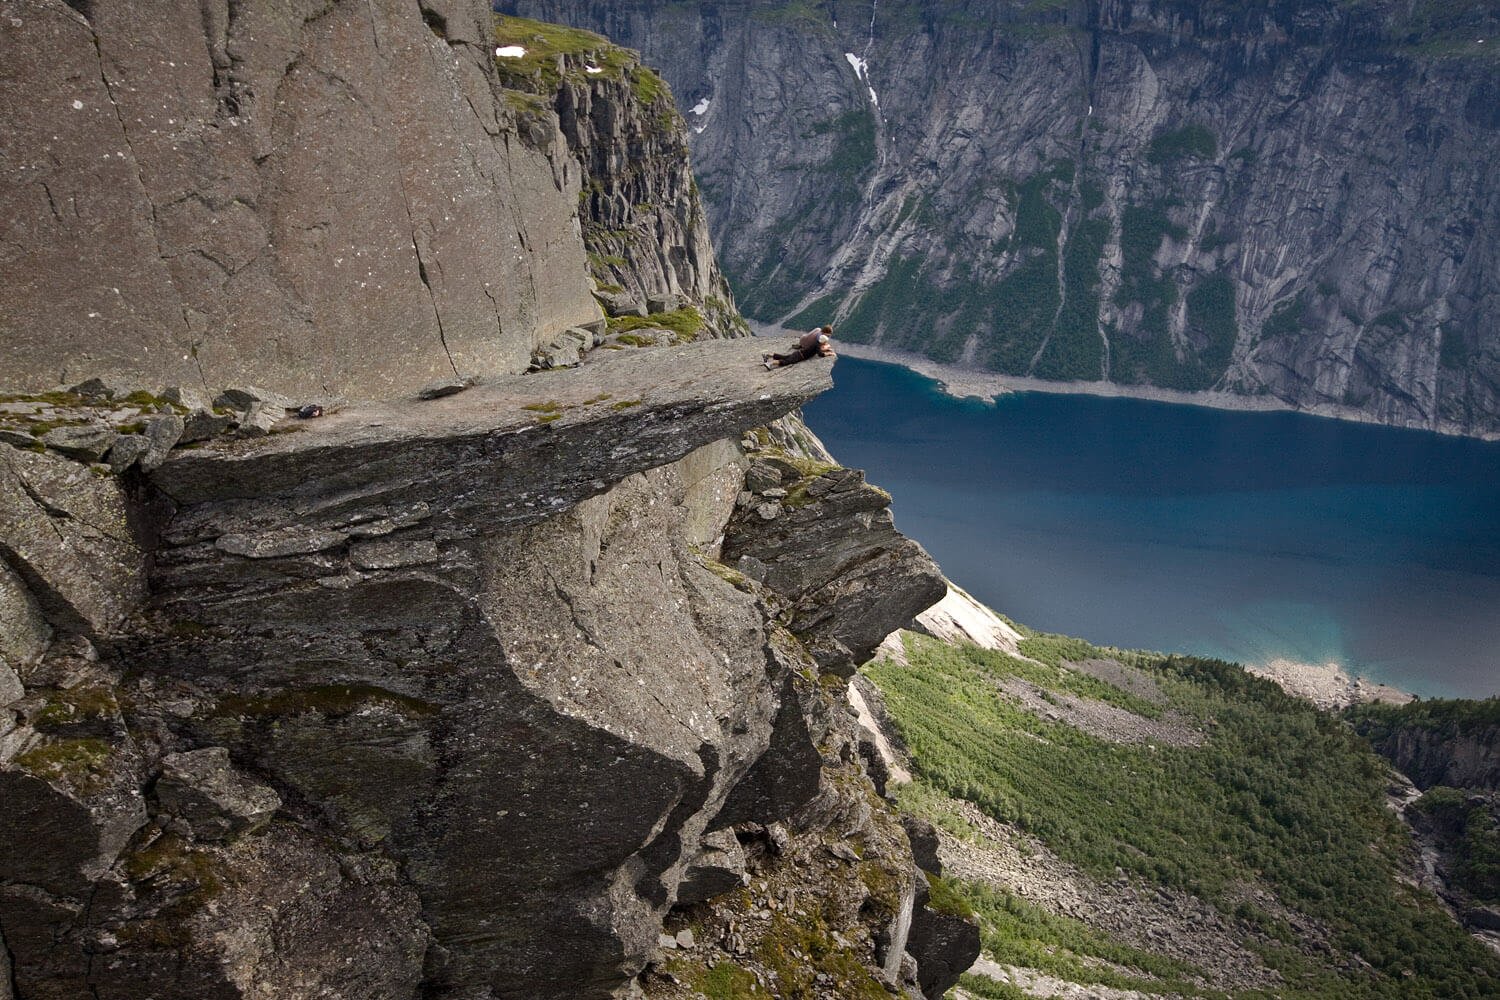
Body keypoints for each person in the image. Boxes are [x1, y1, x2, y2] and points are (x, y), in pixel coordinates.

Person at [764, 325, 835, 369]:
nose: (826, 343)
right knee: (786, 361)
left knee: (784, 357)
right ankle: (770, 364)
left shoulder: (816, 342)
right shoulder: (817, 345)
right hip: (800, 356)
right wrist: (829, 353)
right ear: (823, 342)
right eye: (825, 342)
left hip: (798, 352)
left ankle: (768, 355)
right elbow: (820, 354)